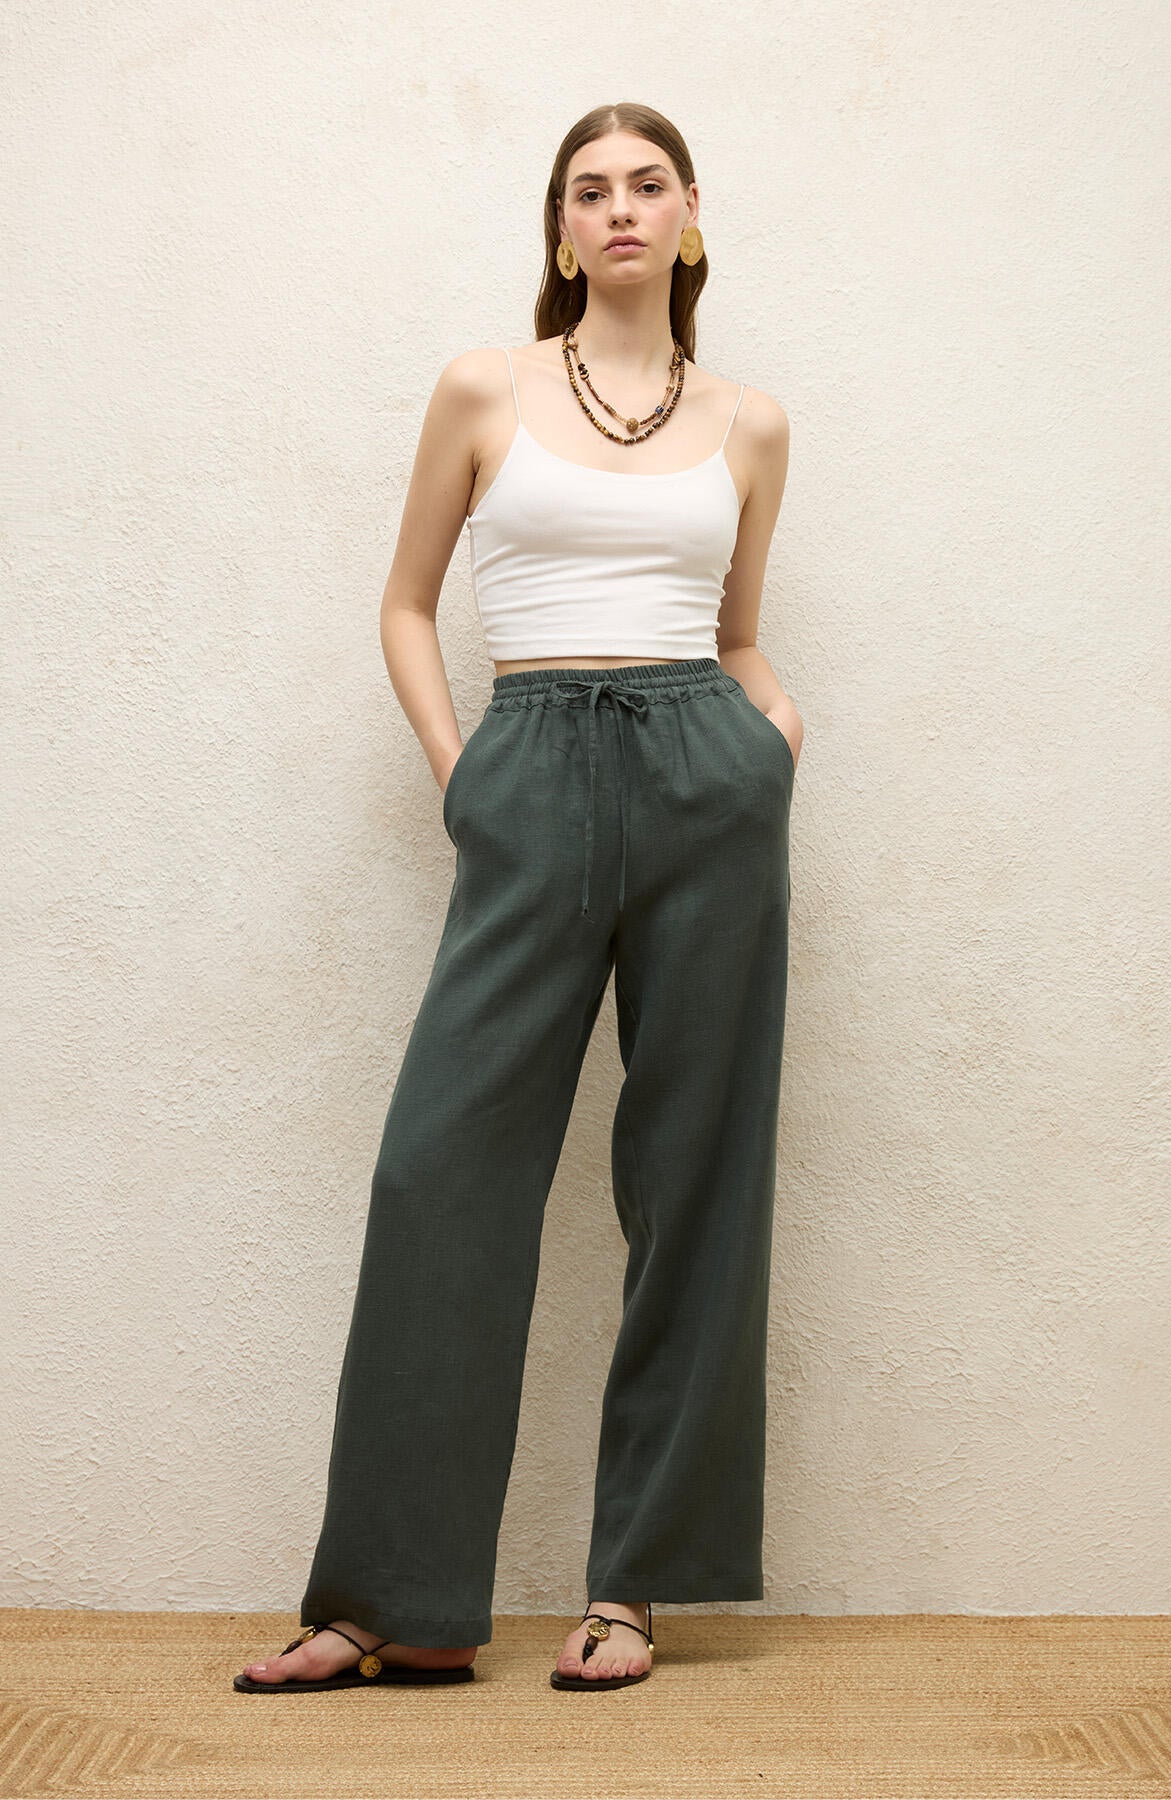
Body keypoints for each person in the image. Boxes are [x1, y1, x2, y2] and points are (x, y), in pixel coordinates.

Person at [236, 100, 801, 1697]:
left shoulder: (751, 423)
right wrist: (461, 769)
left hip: (705, 774)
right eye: (588, 188)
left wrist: (771, 725)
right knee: (442, 1171)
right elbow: (409, 603)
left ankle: (635, 1588)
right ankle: (394, 1599)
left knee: (694, 1176)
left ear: (687, 214)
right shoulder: (486, 387)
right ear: (561, 226)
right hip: (532, 760)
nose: (619, 207)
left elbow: (738, 628)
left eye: (646, 185)